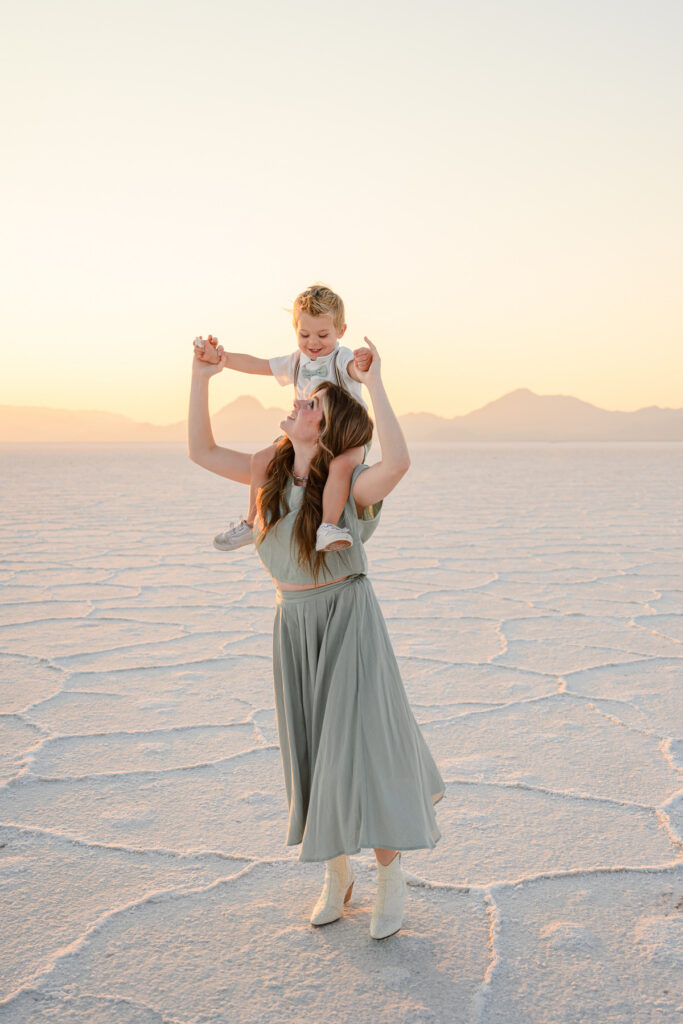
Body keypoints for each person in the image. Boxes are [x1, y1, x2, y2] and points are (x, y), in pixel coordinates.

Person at [189, 334, 445, 940]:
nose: (299, 401)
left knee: (363, 745)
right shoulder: (269, 473)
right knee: (310, 748)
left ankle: (390, 875)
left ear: (327, 431)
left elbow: (399, 464)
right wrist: (201, 376)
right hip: (295, 624)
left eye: (313, 405)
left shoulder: (347, 485)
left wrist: (375, 383)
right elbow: (201, 451)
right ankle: (336, 873)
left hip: (347, 620)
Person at [193, 283, 374, 554]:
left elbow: (355, 372)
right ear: (295, 330)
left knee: (341, 466)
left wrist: (363, 364)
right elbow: (258, 365)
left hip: (346, 435)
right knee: (261, 460)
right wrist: (220, 357)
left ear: (341, 331)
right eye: (305, 334)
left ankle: (328, 526)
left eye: (323, 335)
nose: (313, 343)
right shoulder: (297, 361)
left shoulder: (340, 358)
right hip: (305, 434)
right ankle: (253, 522)